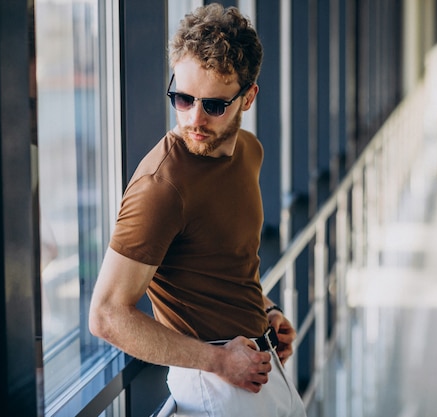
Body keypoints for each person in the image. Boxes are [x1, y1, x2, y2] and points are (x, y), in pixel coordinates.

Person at [88, 4, 306, 417]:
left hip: (261, 366)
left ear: (248, 97)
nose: (194, 118)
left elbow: (229, 263)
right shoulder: (161, 186)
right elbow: (105, 315)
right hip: (216, 384)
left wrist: (267, 310)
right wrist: (218, 361)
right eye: (183, 98)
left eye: (214, 105)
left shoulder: (249, 153)